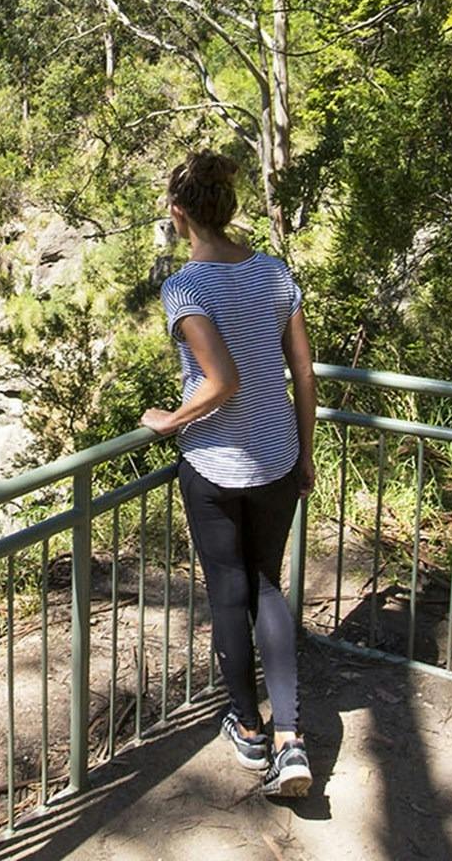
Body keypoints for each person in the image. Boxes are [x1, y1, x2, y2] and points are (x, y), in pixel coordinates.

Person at [140, 151, 317, 798]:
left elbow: (222, 381)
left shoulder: (185, 287)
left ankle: (248, 728)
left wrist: (169, 419)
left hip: (215, 462)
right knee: (268, 586)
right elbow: (303, 373)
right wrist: (305, 452)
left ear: (179, 213)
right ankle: (292, 737)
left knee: (230, 596)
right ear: (229, 207)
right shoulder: (273, 272)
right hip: (275, 458)